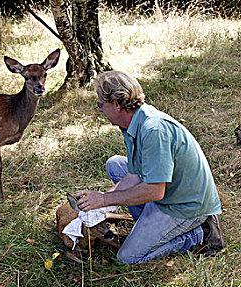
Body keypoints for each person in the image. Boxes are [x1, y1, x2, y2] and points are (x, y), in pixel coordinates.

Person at [76, 71, 224, 264]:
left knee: (128, 256)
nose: (100, 110)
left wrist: (104, 199)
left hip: (185, 206)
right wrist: (100, 203)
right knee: (115, 164)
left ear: (117, 104)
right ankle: (148, 226)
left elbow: (154, 190)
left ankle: (198, 233)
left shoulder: (154, 130)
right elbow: (135, 174)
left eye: (101, 105)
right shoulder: (132, 122)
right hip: (170, 190)